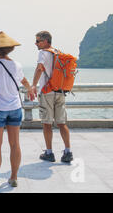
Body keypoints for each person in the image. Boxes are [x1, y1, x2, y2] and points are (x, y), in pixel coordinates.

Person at [0, 31, 34, 189]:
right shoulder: (17, 65)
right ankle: (13, 178)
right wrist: (31, 89)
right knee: (15, 144)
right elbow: (24, 80)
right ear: (11, 48)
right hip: (15, 108)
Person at [31, 31, 73, 163]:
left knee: (47, 123)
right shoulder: (57, 52)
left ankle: (49, 153)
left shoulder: (43, 53)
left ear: (46, 41)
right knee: (61, 123)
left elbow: (39, 68)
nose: (36, 43)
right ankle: (68, 152)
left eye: (38, 41)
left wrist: (33, 85)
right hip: (60, 91)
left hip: (47, 92)